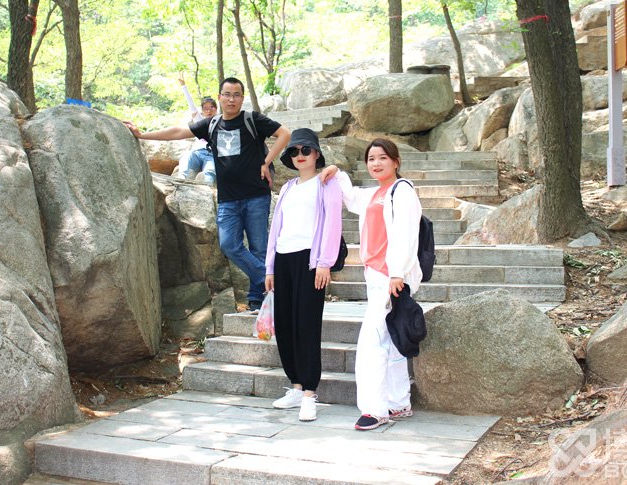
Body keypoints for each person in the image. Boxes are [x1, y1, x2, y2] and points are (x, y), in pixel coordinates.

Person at [127, 77, 291, 311]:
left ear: (242, 98)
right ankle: (273, 282)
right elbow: (179, 131)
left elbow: (284, 134)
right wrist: (143, 134)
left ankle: (257, 298)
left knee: (259, 248)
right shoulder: (212, 124)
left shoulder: (252, 119)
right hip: (228, 200)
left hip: (256, 195)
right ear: (220, 97)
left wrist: (266, 162)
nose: (231, 99)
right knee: (229, 245)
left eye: (236, 95)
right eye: (227, 94)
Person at [319, 138, 422, 431]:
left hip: (391, 276)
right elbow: (350, 197)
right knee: (389, 341)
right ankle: (399, 402)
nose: (376, 163)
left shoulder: (402, 191)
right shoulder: (375, 193)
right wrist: (337, 172)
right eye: (371, 159)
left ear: (396, 161)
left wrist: (397, 273)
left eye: (382, 158)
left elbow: (406, 234)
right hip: (376, 275)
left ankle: (375, 410)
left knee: (371, 343)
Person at [264, 128, 342, 422]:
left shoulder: (327, 183)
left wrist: (324, 262)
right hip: (283, 259)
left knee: (307, 325)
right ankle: (296, 386)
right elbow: (276, 228)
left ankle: (310, 393)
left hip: (310, 261)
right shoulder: (287, 188)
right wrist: (270, 267)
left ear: (317, 154)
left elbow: (333, 224)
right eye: (294, 151)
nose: (300, 155)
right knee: (285, 325)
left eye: (305, 150)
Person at [176, 72, 217, 183]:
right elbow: (191, 105)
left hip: (211, 155)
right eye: (206, 108)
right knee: (186, 157)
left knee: (210, 171)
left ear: (216, 109)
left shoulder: (221, 122)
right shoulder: (200, 121)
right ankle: (181, 178)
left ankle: (206, 183)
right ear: (202, 111)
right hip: (196, 153)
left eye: (212, 107)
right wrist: (183, 85)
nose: (209, 110)